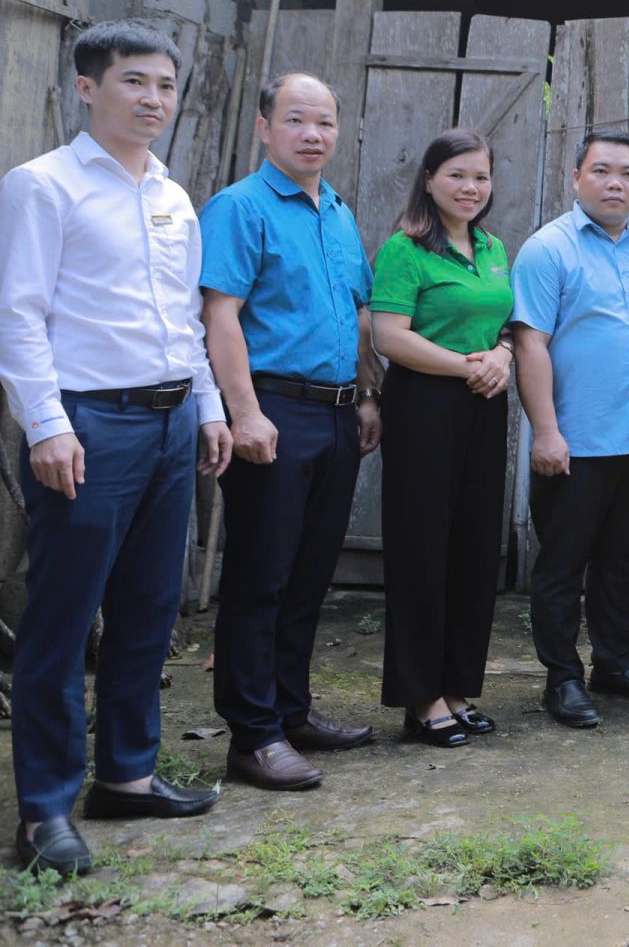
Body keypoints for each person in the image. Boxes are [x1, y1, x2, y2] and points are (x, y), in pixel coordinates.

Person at [0, 22, 232, 875]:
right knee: (63, 620)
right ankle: (46, 810)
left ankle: (127, 776)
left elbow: (184, 321)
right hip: (90, 426)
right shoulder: (42, 187)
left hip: (173, 423)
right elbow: (18, 316)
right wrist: (48, 424)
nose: (153, 100)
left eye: (166, 86)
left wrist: (208, 408)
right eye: (135, 82)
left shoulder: (173, 195)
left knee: (148, 608)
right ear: (87, 87)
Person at [201, 71, 384, 791]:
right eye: (298, 120)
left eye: (326, 124)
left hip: (339, 412)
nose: (314, 135)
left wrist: (367, 394)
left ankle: (292, 711)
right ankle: (253, 735)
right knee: (260, 576)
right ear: (264, 127)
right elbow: (221, 316)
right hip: (274, 410)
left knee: (310, 574)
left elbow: (359, 314)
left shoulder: (335, 210)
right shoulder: (239, 208)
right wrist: (244, 412)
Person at [511, 130, 629, 730]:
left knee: (619, 559)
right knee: (563, 563)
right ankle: (562, 677)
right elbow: (529, 341)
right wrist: (546, 431)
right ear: (576, 177)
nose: (616, 183)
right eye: (603, 171)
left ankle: (614, 662)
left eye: (628, 173)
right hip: (575, 441)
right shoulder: (547, 249)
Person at [369, 129, 514, 748]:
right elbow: (389, 336)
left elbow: (502, 322)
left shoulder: (493, 247)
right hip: (424, 405)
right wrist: (468, 366)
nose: (470, 187)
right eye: (457, 175)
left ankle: (457, 686)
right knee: (422, 548)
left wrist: (503, 355)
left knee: (474, 548)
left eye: (480, 177)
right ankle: (421, 696)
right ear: (429, 180)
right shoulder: (406, 248)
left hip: (484, 406)